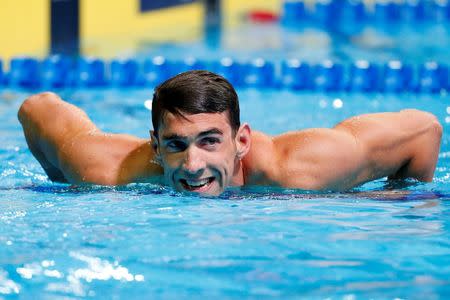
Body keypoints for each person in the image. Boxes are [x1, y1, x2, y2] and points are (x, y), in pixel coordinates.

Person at [18, 70, 443, 196]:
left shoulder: (303, 170)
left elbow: (424, 129)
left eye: (209, 140)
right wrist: (64, 185)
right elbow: (35, 109)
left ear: (241, 141)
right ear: (155, 146)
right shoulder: (105, 169)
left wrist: (404, 198)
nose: (192, 165)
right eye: (175, 145)